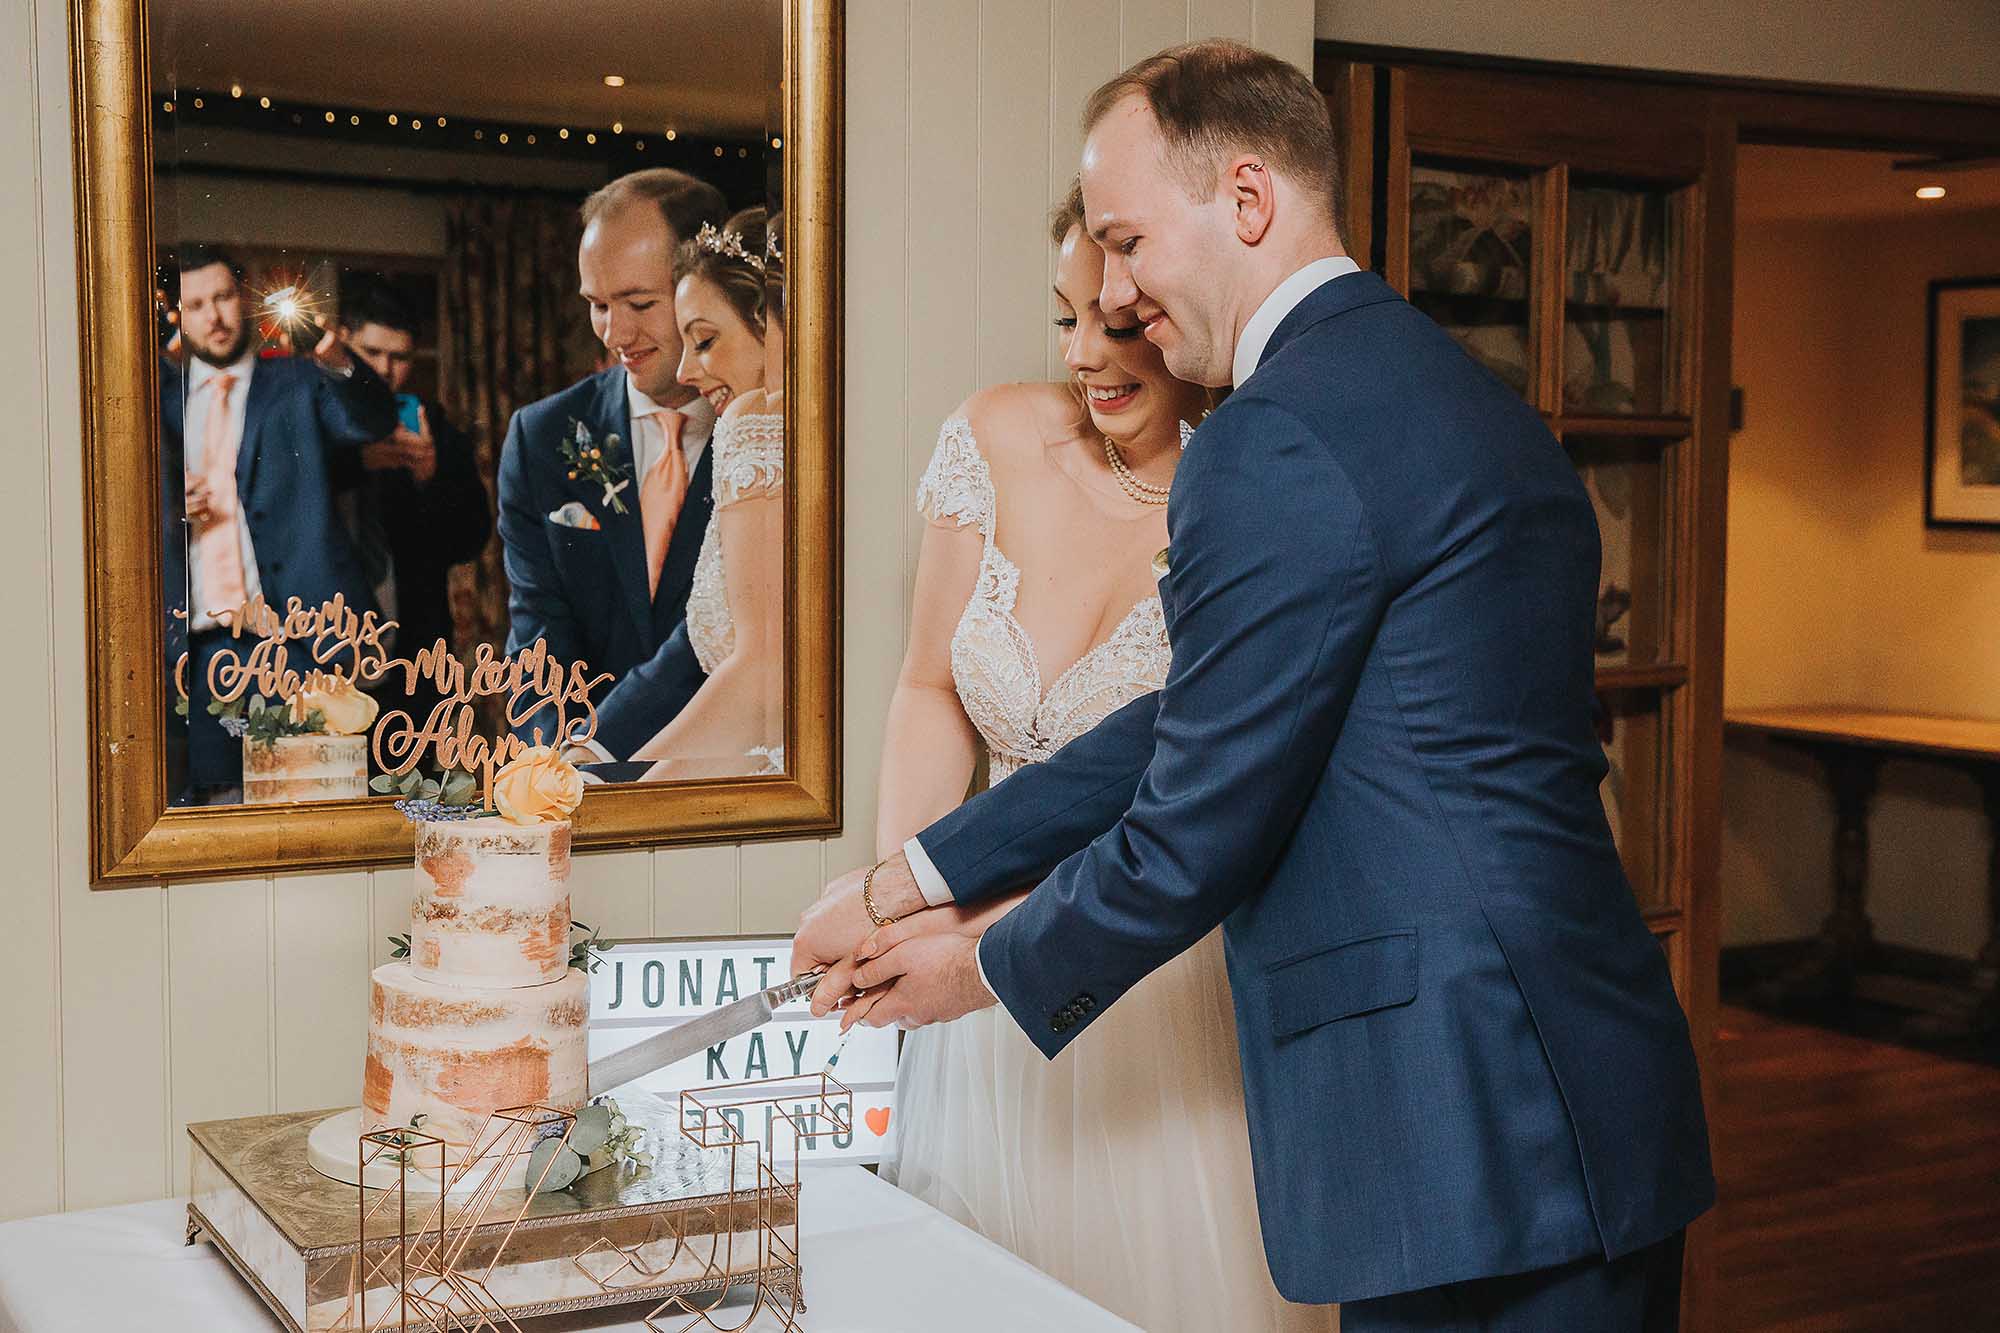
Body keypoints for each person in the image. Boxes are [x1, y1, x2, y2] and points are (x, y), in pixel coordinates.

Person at [796, 40, 1713, 1333]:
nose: (1114, 295)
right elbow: (1199, 719)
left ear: (1245, 200)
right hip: (1577, 1085)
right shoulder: (1461, 398)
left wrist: (975, 970)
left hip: (1462, 1113)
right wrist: (917, 874)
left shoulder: (1275, 437)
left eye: (1126, 242)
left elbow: (1190, 831)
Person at [866, 185, 1324, 1331]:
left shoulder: (1249, 499)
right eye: (1064, 316)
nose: (1084, 353)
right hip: (965, 966)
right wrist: (907, 895)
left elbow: (1206, 785)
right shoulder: (990, 438)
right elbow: (927, 687)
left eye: (1116, 325)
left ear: (1180, 314)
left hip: (1149, 975)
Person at [495, 169, 728, 742]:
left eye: (639, 302)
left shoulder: (774, 437)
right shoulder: (540, 438)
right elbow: (536, 636)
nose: (615, 332)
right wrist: (556, 768)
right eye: (598, 304)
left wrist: (596, 754)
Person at [162, 243, 397, 800]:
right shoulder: (158, 404)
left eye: (222, 297)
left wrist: (338, 358)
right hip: (199, 649)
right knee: (214, 812)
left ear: (242, 298)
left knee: (318, 801)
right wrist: (167, 507)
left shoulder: (297, 382)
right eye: (196, 305)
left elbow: (373, 421)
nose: (213, 316)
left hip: (298, 638)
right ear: (180, 315)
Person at [617, 208, 788, 780]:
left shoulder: (751, 423)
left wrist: (627, 790)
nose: (687, 371)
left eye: (706, 341)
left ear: (775, 323)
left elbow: (762, 669)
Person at [336, 285, 491, 725]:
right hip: (325, 642)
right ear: (344, 340)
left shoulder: (434, 426)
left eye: (399, 357)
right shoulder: (317, 416)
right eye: (371, 352)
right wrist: (357, 462)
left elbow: (470, 539)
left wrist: (429, 475)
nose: (385, 370)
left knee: (415, 787)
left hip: (415, 654)